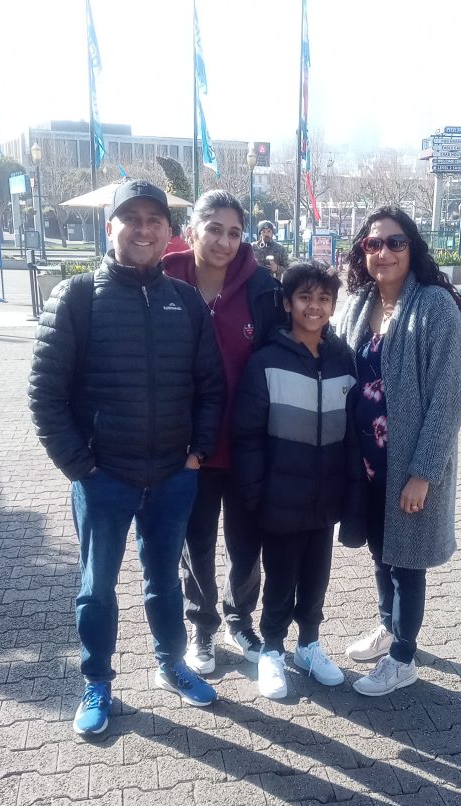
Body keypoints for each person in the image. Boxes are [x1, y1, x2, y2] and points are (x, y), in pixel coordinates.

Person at [28, 180, 225, 737]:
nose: (143, 229)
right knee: (97, 588)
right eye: (131, 218)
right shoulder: (77, 297)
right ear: (110, 226)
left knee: (165, 581)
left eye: (154, 220)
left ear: (168, 232)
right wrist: (80, 466)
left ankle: (171, 665)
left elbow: (211, 387)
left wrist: (197, 453)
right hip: (104, 478)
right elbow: (45, 395)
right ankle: (97, 681)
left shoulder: (185, 301)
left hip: (173, 477)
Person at [338, 206, 461, 697]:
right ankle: (387, 626)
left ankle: (403, 657)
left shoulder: (435, 307)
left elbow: (449, 399)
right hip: (367, 463)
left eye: (395, 242)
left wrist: (423, 473)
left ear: (412, 248)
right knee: (381, 552)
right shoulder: (360, 302)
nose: (384, 252)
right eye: (373, 244)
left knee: (407, 563)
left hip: (409, 466)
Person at [163, 191, 286, 675]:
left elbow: (286, 350)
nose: (224, 241)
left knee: (245, 542)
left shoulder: (262, 288)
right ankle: (202, 624)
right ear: (191, 230)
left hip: (247, 443)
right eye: (213, 228)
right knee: (195, 542)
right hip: (188, 445)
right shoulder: (165, 278)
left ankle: (240, 618)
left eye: (234, 232)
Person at [233, 261, 361, 698]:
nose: (314, 306)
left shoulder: (343, 360)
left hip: (325, 498)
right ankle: (272, 649)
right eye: (305, 297)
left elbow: (353, 434)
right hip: (279, 498)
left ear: (333, 306)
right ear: (287, 304)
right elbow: (247, 436)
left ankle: (309, 645)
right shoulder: (266, 361)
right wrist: (255, 493)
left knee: (316, 577)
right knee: (280, 577)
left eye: (324, 299)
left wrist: (350, 492)